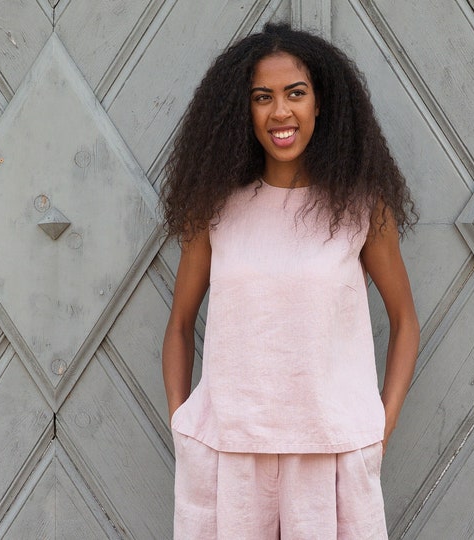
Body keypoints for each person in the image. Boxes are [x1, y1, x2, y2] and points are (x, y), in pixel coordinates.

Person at [161, 21, 419, 540]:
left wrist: (379, 428)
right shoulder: (214, 207)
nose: (280, 111)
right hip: (231, 455)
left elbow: (405, 321)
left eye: (296, 93)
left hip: (331, 454)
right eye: (263, 97)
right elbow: (180, 324)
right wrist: (183, 423)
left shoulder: (362, 207)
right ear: (244, 110)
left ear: (320, 104)